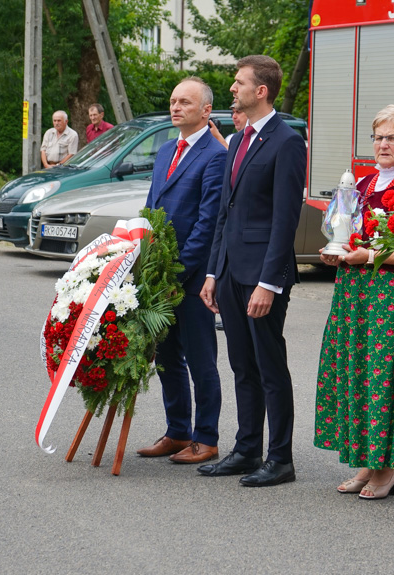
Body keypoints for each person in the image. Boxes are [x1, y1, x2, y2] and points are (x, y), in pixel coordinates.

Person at [199, 55, 306, 487]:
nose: (232, 89)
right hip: (228, 272)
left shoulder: (286, 141)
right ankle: (246, 449)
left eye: (238, 83)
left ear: (260, 91)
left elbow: (285, 221)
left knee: (269, 366)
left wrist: (269, 282)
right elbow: (225, 214)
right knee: (242, 366)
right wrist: (212, 273)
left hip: (262, 276)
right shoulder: (240, 139)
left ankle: (280, 459)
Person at [314, 103, 394, 500]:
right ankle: (368, 461)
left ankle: (388, 470)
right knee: (357, 372)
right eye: (378, 136)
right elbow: (343, 232)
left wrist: (370, 256)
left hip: (392, 292)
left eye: (393, 137)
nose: (383, 144)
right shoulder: (361, 184)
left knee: (384, 375)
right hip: (355, 289)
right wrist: (337, 250)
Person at [135, 77, 226, 464]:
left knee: (201, 360)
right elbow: (152, 207)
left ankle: (206, 438)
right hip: (160, 275)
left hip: (191, 277)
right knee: (167, 357)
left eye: (185, 102)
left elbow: (207, 224)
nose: (175, 107)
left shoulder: (215, 154)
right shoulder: (166, 150)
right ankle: (177, 432)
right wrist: (143, 259)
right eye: (172, 101)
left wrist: (175, 272)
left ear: (205, 110)